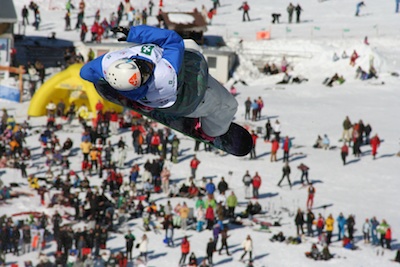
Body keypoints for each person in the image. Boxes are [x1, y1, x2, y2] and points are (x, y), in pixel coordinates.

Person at [80, 25, 238, 140]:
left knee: (189, 44)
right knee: (227, 106)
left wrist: (106, 81)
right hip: (191, 93)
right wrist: (135, 33)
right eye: (147, 73)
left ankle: (145, 105)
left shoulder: (109, 63)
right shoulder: (163, 73)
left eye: (140, 65)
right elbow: (172, 39)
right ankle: (209, 132)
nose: (148, 66)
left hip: (159, 98)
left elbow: (86, 72)